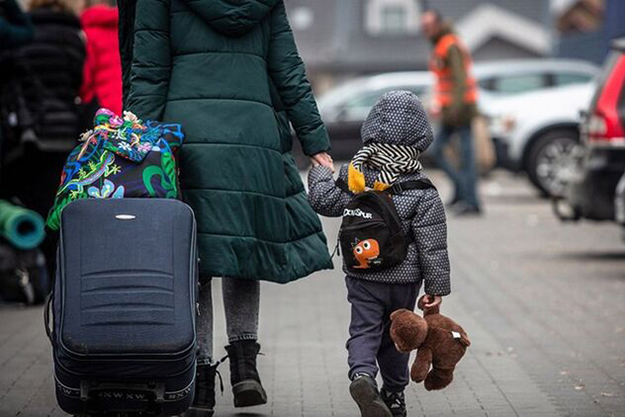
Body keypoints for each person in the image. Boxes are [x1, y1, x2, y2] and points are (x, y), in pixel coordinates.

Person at [121, 1, 334, 416]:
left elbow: (148, 70)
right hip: (250, 139)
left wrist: (137, 144)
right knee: (241, 251)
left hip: (187, 139)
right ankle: (244, 366)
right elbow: (288, 67)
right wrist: (316, 141)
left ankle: (199, 378)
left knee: (193, 259)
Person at [308, 91, 451, 417]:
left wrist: (320, 170)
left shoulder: (355, 177)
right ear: (420, 135)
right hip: (404, 280)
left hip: (362, 272)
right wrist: (436, 290)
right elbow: (433, 243)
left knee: (363, 329)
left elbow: (323, 201)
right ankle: (395, 395)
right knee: (399, 335)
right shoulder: (421, 187)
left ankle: (361, 376)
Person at [0, 0, 85, 276]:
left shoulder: (19, 34)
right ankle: (60, 276)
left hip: (25, 135)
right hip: (62, 133)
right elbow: (78, 82)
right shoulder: (72, 36)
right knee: (57, 208)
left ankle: (33, 273)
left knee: (26, 205)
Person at [421, 9, 482, 215]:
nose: (425, 31)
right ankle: (462, 194)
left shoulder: (450, 44)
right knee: (443, 152)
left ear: (438, 25)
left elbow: (460, 80)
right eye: (424, 27)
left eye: (428, 26)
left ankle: (471, 200)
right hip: (452, 109)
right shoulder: (441, 44)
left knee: (464, 157)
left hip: (460, 110)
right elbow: (443, 81)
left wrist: (453, 109)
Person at [80, 0, 122, 114]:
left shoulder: (86, 33)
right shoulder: (121, 28)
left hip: (102, 107)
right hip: (127, 98)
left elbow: (86, 77)